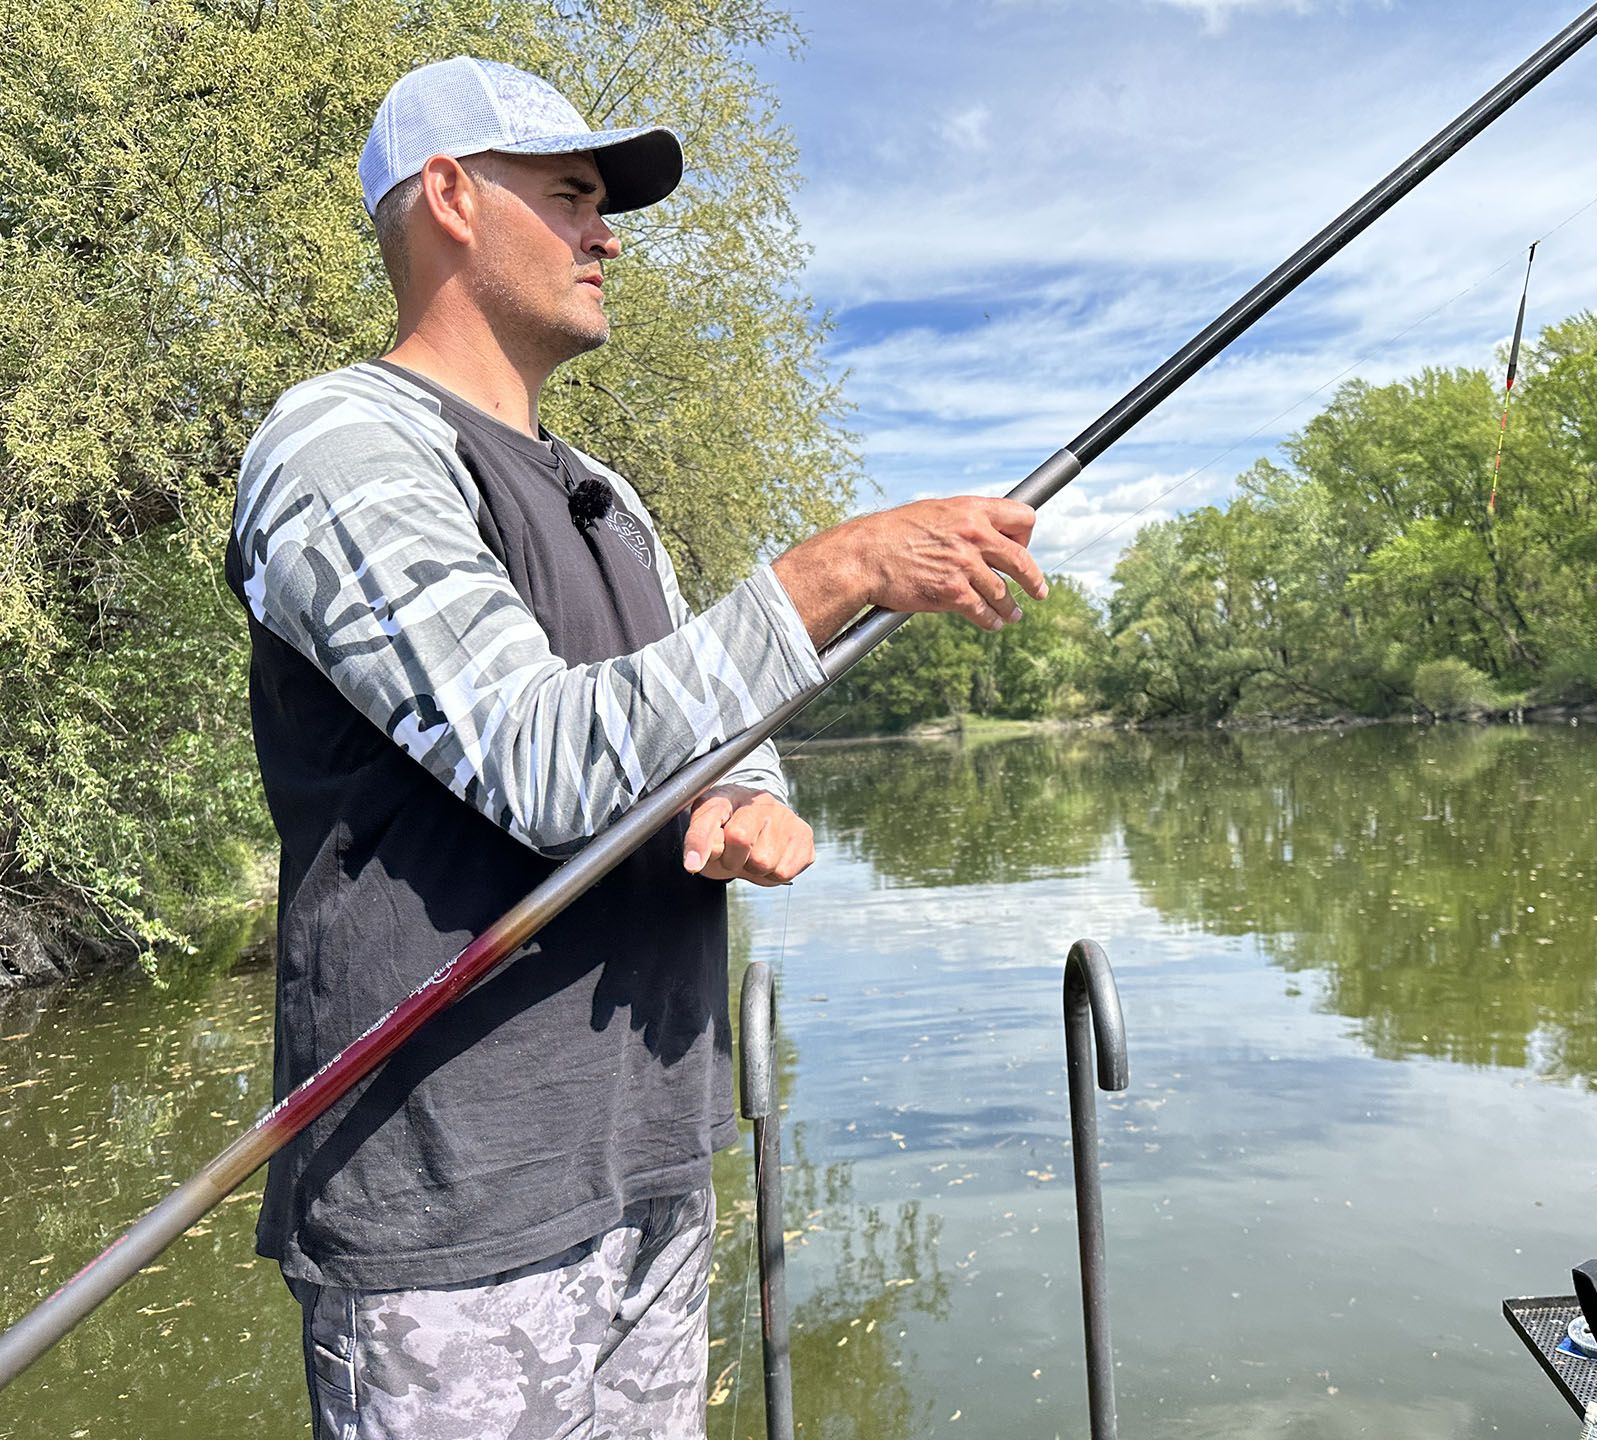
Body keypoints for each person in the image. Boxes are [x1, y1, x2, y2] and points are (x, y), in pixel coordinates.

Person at [225, 56, 1045, 1440]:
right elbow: (544, 762)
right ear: (450, 198)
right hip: (454, 1216)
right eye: (572, 196)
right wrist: (828, 575)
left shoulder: (609, 496)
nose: (609, 235)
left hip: (651, 1162)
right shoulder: (340, 449)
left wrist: (748, 793)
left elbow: (693, 718)